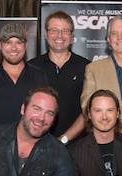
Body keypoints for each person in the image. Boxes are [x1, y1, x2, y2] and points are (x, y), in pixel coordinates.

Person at [28, 11, 90, 142]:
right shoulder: (32, 67)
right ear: (46, 34)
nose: (59, 36)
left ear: (72, 36)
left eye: (65, 31)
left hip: (77, 145)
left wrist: (64, 139)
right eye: (54, 30)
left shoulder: (87, 67)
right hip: (38, 144)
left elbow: (88, 110)